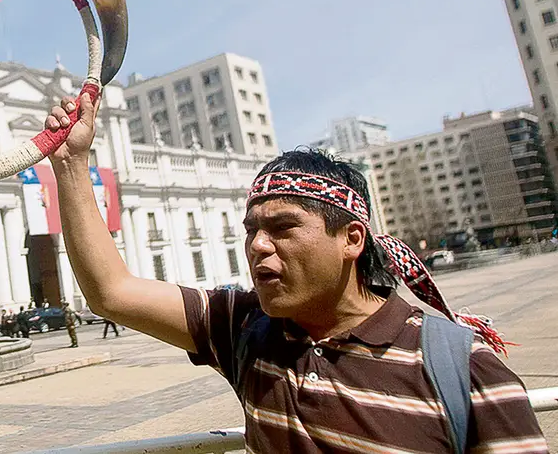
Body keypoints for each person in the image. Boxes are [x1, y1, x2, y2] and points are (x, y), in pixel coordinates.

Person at [44, 98, 548, 452]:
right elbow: (112, 292)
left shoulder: (463, 368)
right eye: (251, 230)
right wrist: (71, 165)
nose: (258, 245)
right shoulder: (245, 332)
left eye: (283, 227)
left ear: (352, 239)